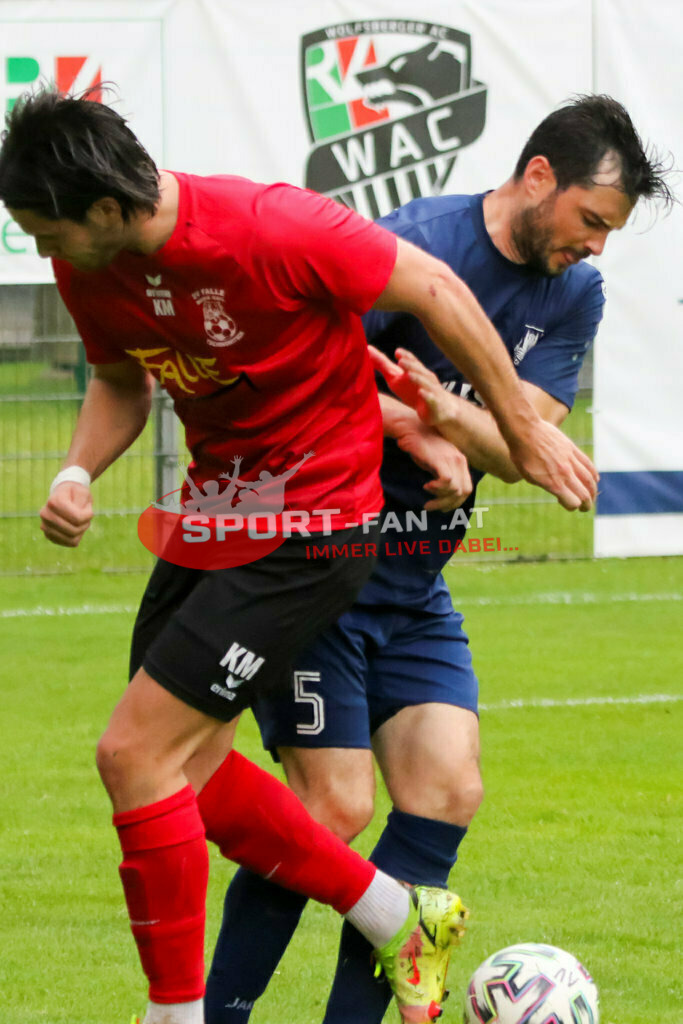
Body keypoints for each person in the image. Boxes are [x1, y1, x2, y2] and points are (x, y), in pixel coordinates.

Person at [0, 88, 598, 1024]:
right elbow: (120, 378)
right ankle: (397, 914)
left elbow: (435, 293)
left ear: (107, 210)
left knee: (135, 753)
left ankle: (180, 1014)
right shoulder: (93, 267)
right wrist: (76, 470)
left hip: (316, 526)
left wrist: (511, 430)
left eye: (48, 234)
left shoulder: (267, 223)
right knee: (178, 774)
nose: (43, 252)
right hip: (216, 519)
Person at [203, 94, 674, 1024]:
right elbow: (303, 380)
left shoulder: (575, 290)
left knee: (445, 788)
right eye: (590, 221)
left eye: (608, 233)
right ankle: (207, 1015)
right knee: (331, 812)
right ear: (539, 176)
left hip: (414, 582)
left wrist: (446, 418)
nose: (595, 247)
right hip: (317, 567)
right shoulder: (406, 250)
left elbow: (529, 445)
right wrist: (430, 433)